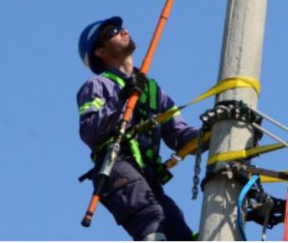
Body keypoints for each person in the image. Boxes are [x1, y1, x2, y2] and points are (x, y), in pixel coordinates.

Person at [77, 15, 199, 241]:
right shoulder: (98, 85)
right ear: (100, 52)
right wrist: (122, 98)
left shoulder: (152, 90)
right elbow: (89, 130)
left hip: (146, 177)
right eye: (112, 32)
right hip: (118, 167)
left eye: (121, 28)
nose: (122, 31)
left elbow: (178, 133)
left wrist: (211, 134)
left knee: (178, 229)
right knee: (153, 222)